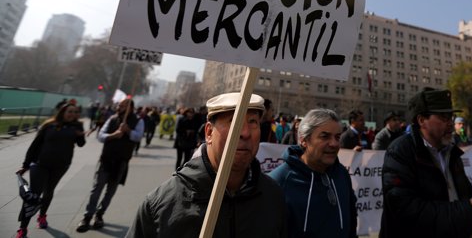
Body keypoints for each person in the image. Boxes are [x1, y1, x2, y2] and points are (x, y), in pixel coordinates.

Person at [126, 92, 287, 238]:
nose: (244, 132)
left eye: (253, 122)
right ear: (209, 132)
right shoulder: (162, 204)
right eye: (234, 121)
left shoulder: (274, 197)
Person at [380, 87, 472, 237]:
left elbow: (464, 196)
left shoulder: (452, 152)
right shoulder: (400, 151)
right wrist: (466, 212)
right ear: (421, 120)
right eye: (444, 118)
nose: (451, 124)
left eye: (451, 117)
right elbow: (405, 209)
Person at [270, 109, 357, 238]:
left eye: (337, 137)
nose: (334, 143)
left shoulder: (342, 174)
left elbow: (351, 224)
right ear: (304, 140)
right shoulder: (278, 183)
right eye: (324, 136)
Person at [15, 104, 85, 238]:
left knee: (49, 192)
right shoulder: (49, 125)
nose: (72, 114)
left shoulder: (76, 127)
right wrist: (25, 165)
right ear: (63, 112)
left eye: (75, 112)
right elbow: (34, 145)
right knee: (33, 196)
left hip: (60, 166)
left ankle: (42, 216)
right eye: (70, 111)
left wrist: (80, 134)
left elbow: (81, 144)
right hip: (40, 164)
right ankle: (22, 228)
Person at [76, 98, 143, 232]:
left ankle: (99, 215)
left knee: (110, 191)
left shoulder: (138, 121)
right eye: (119, 105)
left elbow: (138, 137)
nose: (119, 107)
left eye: (123, 106)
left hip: (121, 162)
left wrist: (128, 130)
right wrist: (113, 135)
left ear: (130, 108)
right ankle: (87, 216)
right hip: (106, 159)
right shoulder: (112, 119)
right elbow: (101, 136)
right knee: (96, 189)